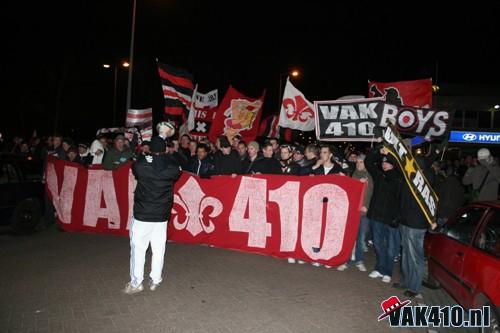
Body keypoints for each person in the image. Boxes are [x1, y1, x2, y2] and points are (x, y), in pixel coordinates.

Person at [124, 136, 181, 294]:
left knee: (138, 249)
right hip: (161, 215)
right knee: (158, 249)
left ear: (150, 150)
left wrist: (147, 156)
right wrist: (165, 156)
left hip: (143, 214)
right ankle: (155, 280)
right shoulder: (171, 167)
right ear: (165, 150)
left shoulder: (142, 165)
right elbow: (176, 168)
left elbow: (135, 166)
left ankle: (136, 282)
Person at [365, 148, 402, 283]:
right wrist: (378, 151)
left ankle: (388, 271)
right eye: (383, 162)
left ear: (392, 164)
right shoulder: (379, 175)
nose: (383, 164)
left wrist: (391, 155)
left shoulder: (399, 178)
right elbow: (368, 162)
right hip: (376, 217)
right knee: (378, 244)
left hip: (390, 219)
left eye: (387, 162)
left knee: (391, 248)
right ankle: (379, 268)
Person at [337, 153, 373, 272]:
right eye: (357, 162)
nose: (358, 164)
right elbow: (350, 186)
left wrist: (366, 206)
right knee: (350, 237)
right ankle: (345, 261)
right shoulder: (354, 175)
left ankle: (359, 261)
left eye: (361, 162)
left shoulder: (370, 176)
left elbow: (371, 193)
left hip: (363, 213)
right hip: (352, 212)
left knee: (361, 238)